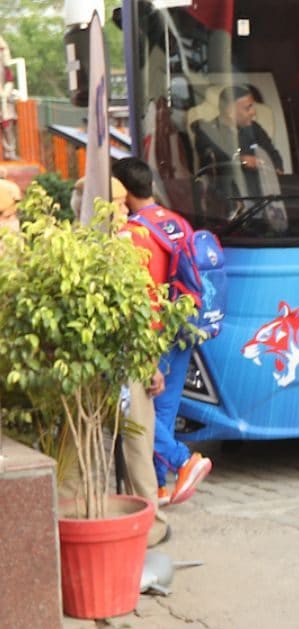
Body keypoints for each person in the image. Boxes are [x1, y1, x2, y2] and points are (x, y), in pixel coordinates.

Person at [112, 158, 213, 508]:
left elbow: (142, 297)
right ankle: (157, 487)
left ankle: (183, 461)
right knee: (164, 411)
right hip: (183, 325)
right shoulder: (177, 221)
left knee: (140, 413)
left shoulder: (132, 235)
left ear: (123, 192)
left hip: (153, 333)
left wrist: (147, 350)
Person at [193, 85, 284, 199]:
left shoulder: (254, 128)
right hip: (228, 198)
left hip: (261, 194)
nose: (253, 112)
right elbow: (213, 164)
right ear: (230, 111)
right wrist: (241, 161)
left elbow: (272, 153)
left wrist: (276, 171)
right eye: (248, 108)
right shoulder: (208, 132)